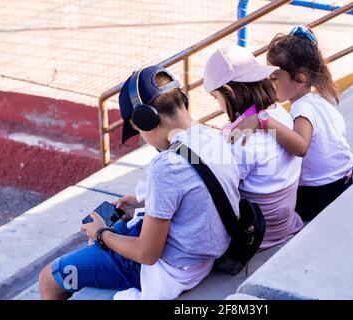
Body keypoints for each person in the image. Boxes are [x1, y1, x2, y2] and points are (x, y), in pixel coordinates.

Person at [38, 66, 241, 300]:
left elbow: (147, 254)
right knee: (108, 232)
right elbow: (198, 183)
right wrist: (140, 203)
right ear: (182, 100)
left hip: (171, 268)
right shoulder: (212, 137)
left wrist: (101, 233)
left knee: (49, 277)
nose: (144, 138)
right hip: (200, 257)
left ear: (146, 119)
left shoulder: (167, 165)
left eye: (138, 131)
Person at [228, 26, 353, 222]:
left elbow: (301, 146)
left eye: (275, 78)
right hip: (344, 178)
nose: (269, 83)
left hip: (321, 192)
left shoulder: (302, 109)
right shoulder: (319, 100)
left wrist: (263, 120)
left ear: (300, 79)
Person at [203, 45, 304, 249]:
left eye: (216, 98)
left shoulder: (241, 141)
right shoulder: (279, 113)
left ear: (229, 91)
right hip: (283, 222)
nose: (218, 105)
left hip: (259, 232)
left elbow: (222, 186)